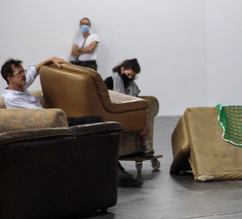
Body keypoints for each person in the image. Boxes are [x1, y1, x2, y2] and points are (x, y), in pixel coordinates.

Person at [2, 57, 142, 187]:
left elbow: (34, 71)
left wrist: (51, 59)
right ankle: (115, 172)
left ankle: (113, 170)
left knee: (98, 121)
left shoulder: (20, 87)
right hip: (48, 126)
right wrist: (57, 115)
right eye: (19, 73)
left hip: (55, 121)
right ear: (9, 78)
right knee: (95, 126)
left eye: (23, 71)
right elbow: (38, 116)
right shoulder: (12, 98)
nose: (24, 75)